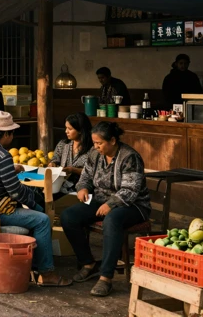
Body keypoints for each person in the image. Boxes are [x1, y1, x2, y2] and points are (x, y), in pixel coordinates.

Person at [0, 111, 72, 287]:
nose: (13, 136)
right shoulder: (2, 155)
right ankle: (46, 273)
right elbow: (16, 192)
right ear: (6, 134)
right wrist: (35, 204)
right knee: (43, 219)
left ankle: (33, 264)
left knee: (35, 214)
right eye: (12, 133)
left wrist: (11, 170)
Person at [61, 122, 150, 297]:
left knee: (112, 220)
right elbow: (85, 176)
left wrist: (111, 204)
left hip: (133, 205)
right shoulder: (94, 154)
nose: (96, 147)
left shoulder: (130, 157)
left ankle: (106, 277)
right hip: (101, 200)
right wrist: (83, 188)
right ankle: (88, 263)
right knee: (69, 216)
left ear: (113, 140)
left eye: (99, 143)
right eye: (94, 143)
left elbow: (130, 190)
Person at [47, 113, 92, 195]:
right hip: (60, 186)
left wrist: (73, 170)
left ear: (80, 130)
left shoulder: (92, 149)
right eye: (66, 128)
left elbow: (93, 172)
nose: (66, 131)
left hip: (81, 189)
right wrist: (52, 163)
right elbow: (55, 158)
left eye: (70, 129)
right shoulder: (63, 144)